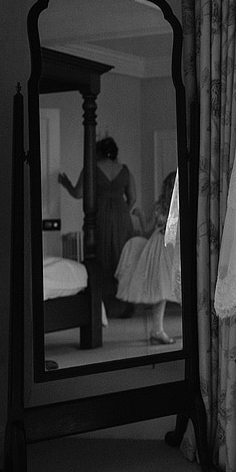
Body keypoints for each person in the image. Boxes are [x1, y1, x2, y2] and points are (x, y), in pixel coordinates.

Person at [58, 136, 137, 317]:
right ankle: (124, 307)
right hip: (121, 218)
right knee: (122, 258)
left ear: (98, 152)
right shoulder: (124, 170)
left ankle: (101, 308)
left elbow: (78, 193)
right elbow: (133, 198)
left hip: (100, 216)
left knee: (101, 257)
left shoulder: (91, 168)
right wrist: (121, 212)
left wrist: (66, 183)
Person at [115, 171, 181, 345]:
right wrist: (141, 216)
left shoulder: (183, 205)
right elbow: (146, 230)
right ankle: (157, 329)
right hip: (160, 248)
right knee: (161, 289)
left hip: (175, 247)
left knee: (178, 288)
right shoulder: (160, 207)